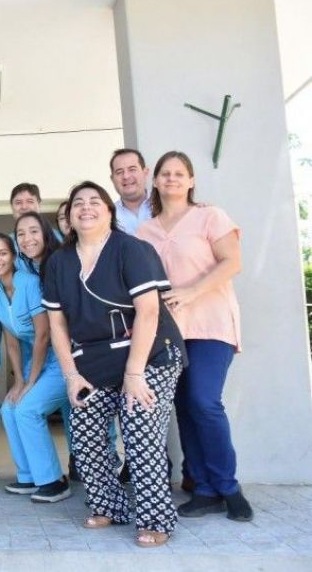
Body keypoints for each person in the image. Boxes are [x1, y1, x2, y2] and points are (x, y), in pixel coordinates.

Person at [43, 181, 185, 547]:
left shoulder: (131, 249)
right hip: (96, 361)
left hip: (150, 354)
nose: (86, 207)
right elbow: (57, 325)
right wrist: (71, 375)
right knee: (85, 429)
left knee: (139, 428)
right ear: (69, 216)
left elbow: (149, 311)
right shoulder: (58, 262)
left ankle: (156, 518)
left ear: (109, 212)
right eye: (78, 203)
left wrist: (134, 374)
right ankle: (109, 506)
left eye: (95, 201)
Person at [136, 151, 253, 522]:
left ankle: (228, 487)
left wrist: (190, 292)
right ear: (155, 181)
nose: (171, 178)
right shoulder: (145, 231)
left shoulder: (210, 216)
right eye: (165, 173)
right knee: (184, 406)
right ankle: (203, 489)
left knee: (204, 401)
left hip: (210, 324)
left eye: (179, 173)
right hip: (169, 333)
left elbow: (232, 262)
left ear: (191, 181)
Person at [0, 219, 71, 503]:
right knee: (9, 408)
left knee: (27, 409)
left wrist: (31, 382)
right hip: (32, 363)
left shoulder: (30, 283)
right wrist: (19, 380)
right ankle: (29, 476)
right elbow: (11, 339)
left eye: (2, 253)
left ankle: (54, 481)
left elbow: (43, 335)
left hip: (58, 362)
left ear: (13, 255)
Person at [110, 148, 152, 235]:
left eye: (132, 169)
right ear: (112, 179)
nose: (126, 176)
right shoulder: (108, 217)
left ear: (145, 172)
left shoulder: (165, 206)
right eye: (119, 172)